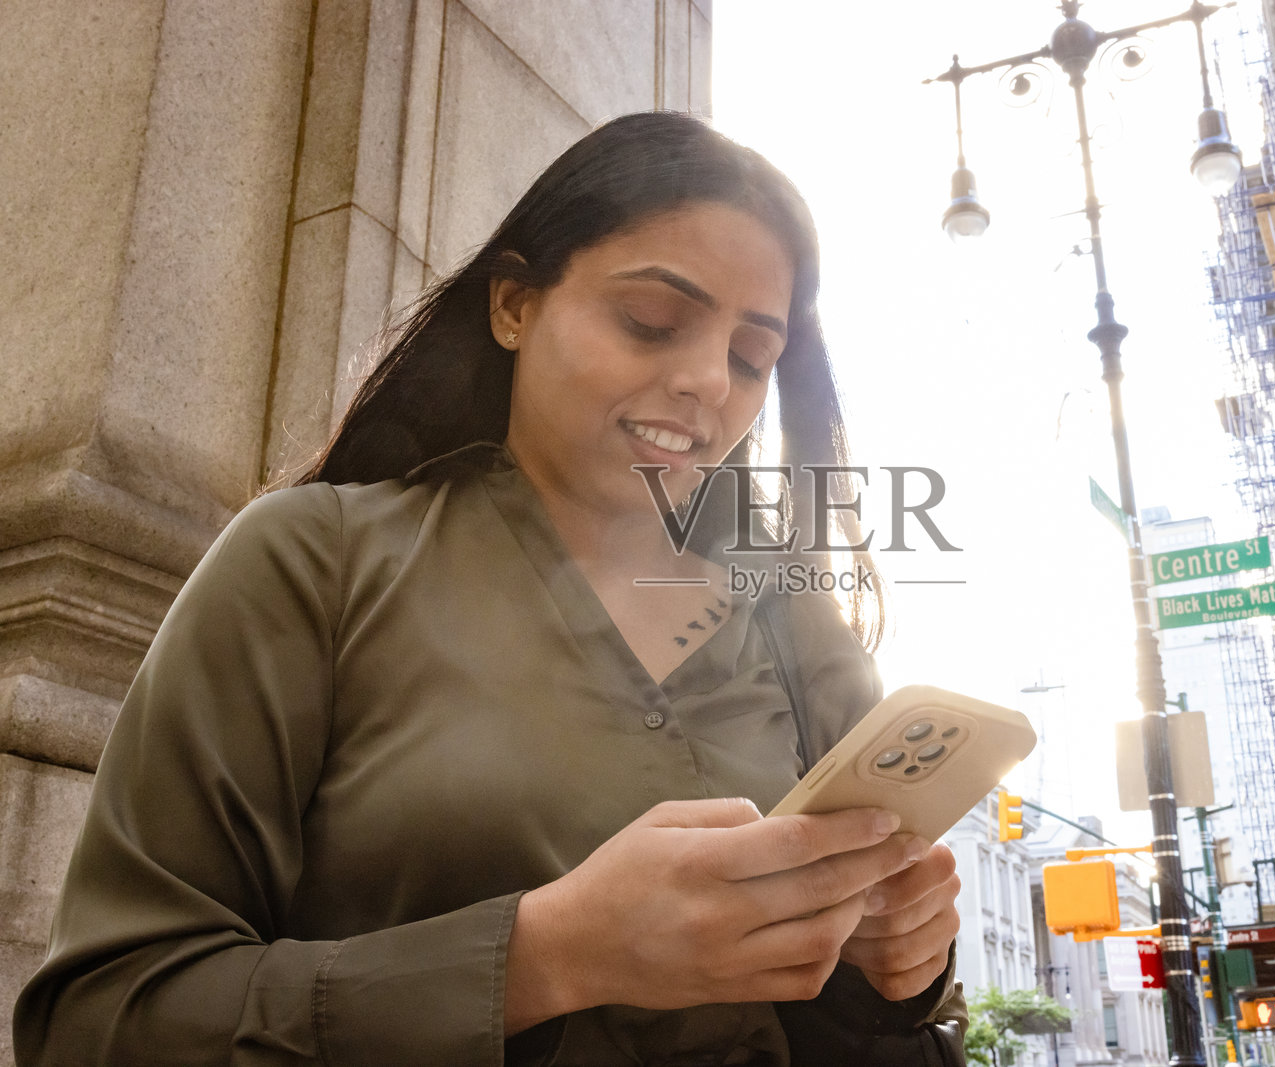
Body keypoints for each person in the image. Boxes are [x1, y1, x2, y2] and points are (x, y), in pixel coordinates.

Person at [13, 112, 965, 1065]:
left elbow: (890, 992)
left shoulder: (790, 614)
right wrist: (545, 957)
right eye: (651, 320)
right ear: (513, 304)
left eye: (752, 358)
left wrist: (900, 961)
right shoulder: (315, 562)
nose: (710, 382)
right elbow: (101, 1018)